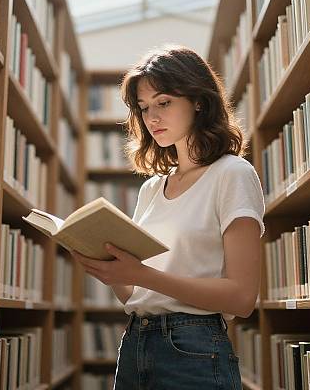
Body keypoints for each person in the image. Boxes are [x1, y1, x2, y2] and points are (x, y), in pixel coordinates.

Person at [71, 45, 265, 390]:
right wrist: (108, 267)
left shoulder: (232, 174)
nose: (152, 118)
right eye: (143, 108)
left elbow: (241, 298)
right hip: (135, 342)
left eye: (164, 103)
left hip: (192, 348)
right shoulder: (151, 190)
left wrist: (140, 273)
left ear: (199, 101)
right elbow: (135, 296)